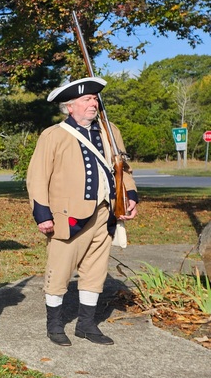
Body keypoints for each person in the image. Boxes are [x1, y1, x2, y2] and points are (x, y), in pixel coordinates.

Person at [27, 77, 138, 345]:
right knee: (60, 271)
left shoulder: (109, 131)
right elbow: (37, 177)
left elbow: (123, 167)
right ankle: (54, 326)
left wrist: (130, 195)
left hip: (105, 213)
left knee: (96, 270)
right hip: (68, 215)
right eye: (87, 99)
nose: (94, 103)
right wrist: (42, 214)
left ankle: (86, 325)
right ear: (70, 106)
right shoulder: (53, 135)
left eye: (95, 99)